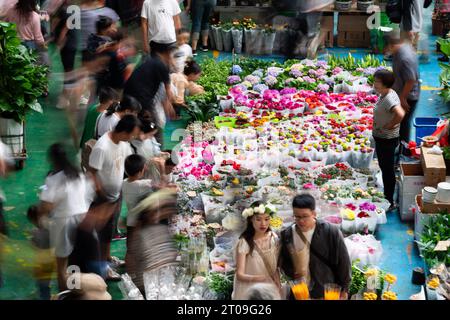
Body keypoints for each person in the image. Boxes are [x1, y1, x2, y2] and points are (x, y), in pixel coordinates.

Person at [88, 114, 140, 281]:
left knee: (109, 232)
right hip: (102, 198)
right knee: (101, 235)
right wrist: (101, 194)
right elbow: (92, 173)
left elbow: (126, 162)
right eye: (131, 134)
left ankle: (108, 257)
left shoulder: (123, 143)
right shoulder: (102, 147)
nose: (132, 138)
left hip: (115, 195)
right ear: (124, 131)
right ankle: (104, 269)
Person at [38, 143, 93, 291]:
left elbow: (46, 206)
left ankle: (66, 293)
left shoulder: (53, 178)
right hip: (83, 220)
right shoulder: (79, 174)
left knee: (62, 265)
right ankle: (76, 292)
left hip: (64, 222)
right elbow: (89, 195)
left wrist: (41, 215)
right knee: (75, 261)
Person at [279, 194, 351, 300]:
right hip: (300, 292)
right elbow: (284, 261)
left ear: (314, 213)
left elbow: (344, 262)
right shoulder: (287, 234)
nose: (301, 221)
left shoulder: (330, 232)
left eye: (305, 216)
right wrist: (293, 273)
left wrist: (344, 289)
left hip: (324, 290)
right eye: (297, 217)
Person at [126, 188, 179, 296]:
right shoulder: (141, 236)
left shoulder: (161, 230)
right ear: (147, 213)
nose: (166, 211)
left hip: (164, 285)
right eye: (160, 209)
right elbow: (132, 262)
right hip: (150, 288)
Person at [123, 42, 178, 134]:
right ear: (167, 54)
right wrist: (171, 106)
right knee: (153, 126)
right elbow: (168, 91)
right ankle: (156, 144)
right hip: (142, 99)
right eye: (172, 56)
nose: (172, 59)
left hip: (129, 95)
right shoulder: (161, 65)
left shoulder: (151, 61)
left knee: (138, 122)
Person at [232, 201, 281, 300]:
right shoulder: (244, 243)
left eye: (267, 219)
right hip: (249, 288)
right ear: (251, 220)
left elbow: (275, 267)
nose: (263, 224)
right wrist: (261, 278)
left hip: (268, 286)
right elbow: (240, 275)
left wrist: (278, 284)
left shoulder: (273, 238)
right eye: (258, 219)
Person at [372, 70, 405, 211]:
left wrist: (389, 125)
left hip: (386, 139)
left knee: (387, 170)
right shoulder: (386, 93)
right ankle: (388, 197)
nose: (374, 84)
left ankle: (389, 201)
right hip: (382, 137)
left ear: (385, 84)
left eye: (377, 82)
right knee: (385, 167)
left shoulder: (389, 98)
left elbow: (400, 113)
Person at [122, 154, 154, 277]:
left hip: (130, 221)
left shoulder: (124, 183)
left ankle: (129, 268)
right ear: (141, 171)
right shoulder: (141, 185)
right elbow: (156, 183)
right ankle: (138, 271)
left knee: (130, 248)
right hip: (140, 223)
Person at [390, 36, 421, 146]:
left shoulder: (404, 57)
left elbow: (410, 80)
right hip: (402, 92)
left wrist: (403, 98)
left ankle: (404, 149)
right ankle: (400, 145)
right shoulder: (401, 50)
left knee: (404, 121)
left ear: (392, 45)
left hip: (409, 96)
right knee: (402, 120)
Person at [130, 114, 170, 184]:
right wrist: (148, 162)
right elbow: (132, 165)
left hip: (152, 171)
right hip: (141, 175)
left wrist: (160, 154)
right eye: (150, 135)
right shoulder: (131, 145)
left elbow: (155, 150)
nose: (151, 137)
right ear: (141, 133)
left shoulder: (150, 139)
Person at [27, 205, 55, 300]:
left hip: (43, 263)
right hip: (55, 260)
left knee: (43, 288)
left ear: (32, 219)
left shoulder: (34, 233)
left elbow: (34, 248)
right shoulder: (53, 226)